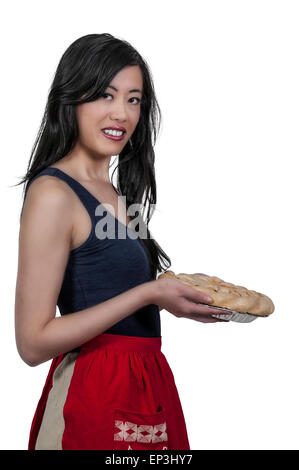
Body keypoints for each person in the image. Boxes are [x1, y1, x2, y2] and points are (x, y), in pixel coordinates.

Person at [14, 33, 230, 451]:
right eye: (105, 95)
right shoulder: (53, 193)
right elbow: (32, 342)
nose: (121, 113)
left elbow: (121, 286)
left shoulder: (117, 194)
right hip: (92, 395)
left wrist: (180, 291)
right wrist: (150, 292)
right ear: (71, 99)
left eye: (134, 99)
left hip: (145, 389)